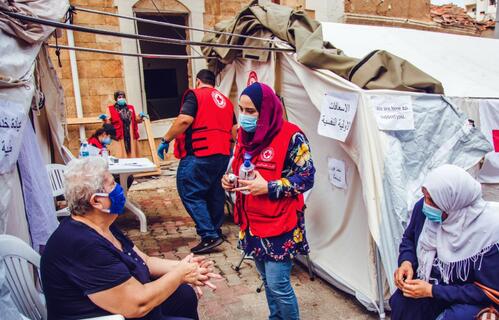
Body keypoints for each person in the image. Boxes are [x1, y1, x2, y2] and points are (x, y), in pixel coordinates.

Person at [40, 157, 221, 320]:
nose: (119, 188)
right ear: (96, 201)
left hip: (126, 301)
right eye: (113, 184)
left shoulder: (102, 226)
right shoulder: (81, 244)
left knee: (183, 295)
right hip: (110, 314)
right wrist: (180, 274)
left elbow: (145, 261)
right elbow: (136, 305)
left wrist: (187, 267)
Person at [221, 82, 315, 320]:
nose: (244, 117)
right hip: (252, 224)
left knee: (279, 286)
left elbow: (306, 177)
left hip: (279, 225)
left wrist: (269, 187)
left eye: (251, 111)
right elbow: (239, 168)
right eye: (241, 109)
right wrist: (229, 180)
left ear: (268, 110)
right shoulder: (245, 136)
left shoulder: (291, 136)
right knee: (266, 281)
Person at [390, 164, 499, 320]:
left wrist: (432, 291)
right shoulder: (423, 209)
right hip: (430, 285)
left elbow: (487, 293)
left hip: (467, 298)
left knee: (457, 317)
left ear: (454, 202)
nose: (426, 205)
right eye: (424, 195)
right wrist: (406, 262)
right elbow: (409, 239)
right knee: (402, 302)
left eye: (433, 201)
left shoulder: (488, 233)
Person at [157, 69, 237, 254]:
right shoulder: (225, 101)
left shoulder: (195, 95)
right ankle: (215, 229)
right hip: (223, 154)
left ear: (198, 81)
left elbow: (185, 120)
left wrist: (166, 140)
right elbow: (235, 130)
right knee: (215, 192)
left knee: (190, 191)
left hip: (200, 153)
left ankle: (209, 235)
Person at [100, 90, 147, 158]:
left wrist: (141, 116)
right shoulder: (111, 109)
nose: (121, 98)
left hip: (130, 135)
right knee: (121, 155)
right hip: (119, 135)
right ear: (116, 99)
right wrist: (104, 119)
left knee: (133, 155)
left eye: (123, 97)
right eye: (119, 97)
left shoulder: (130, 107)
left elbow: (135, 119)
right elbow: (108, 122)